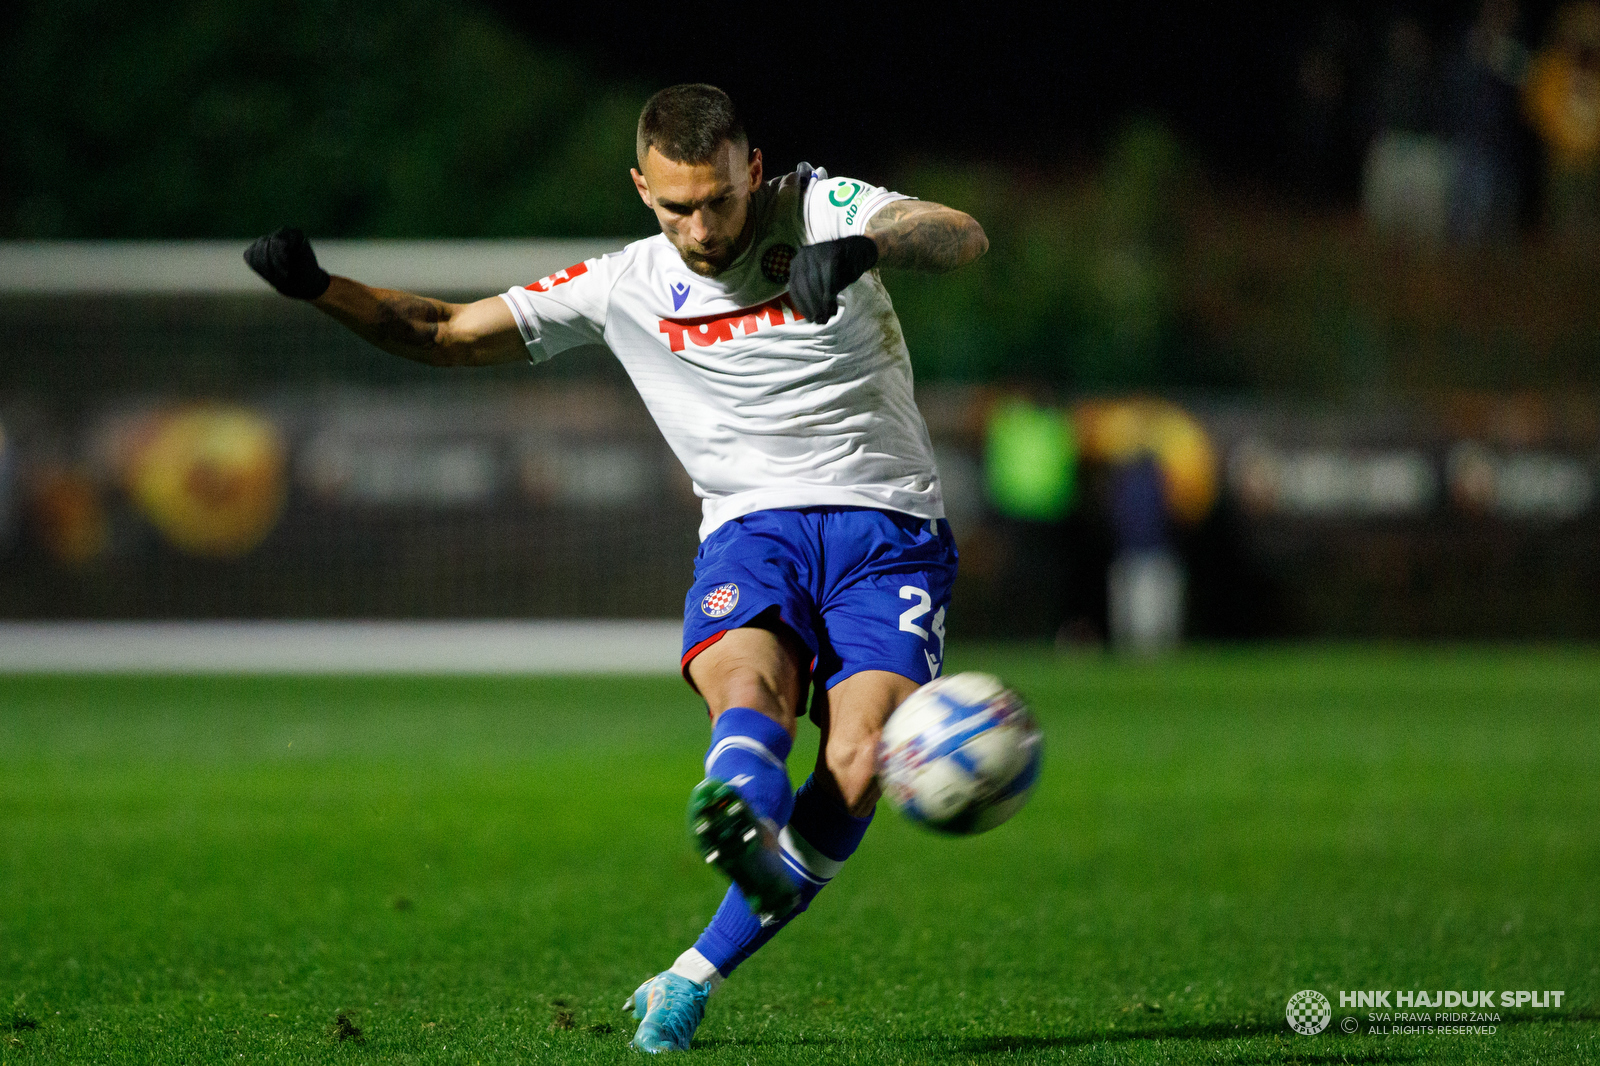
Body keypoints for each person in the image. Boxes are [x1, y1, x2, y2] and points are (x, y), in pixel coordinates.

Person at [244, 83, 987, 1053]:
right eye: (676, 204)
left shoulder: (817, 208)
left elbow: (958, 233)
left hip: (888, 532)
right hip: (751, 532)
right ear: (642, 188)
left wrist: (863, 248)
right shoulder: (625, 282)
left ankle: (691, 972)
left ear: (751, 170)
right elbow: (440, 331)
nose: (701, 223)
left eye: (719, 197)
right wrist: (319, 288)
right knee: (747, 695)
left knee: (856, 761)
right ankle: (744, 815)